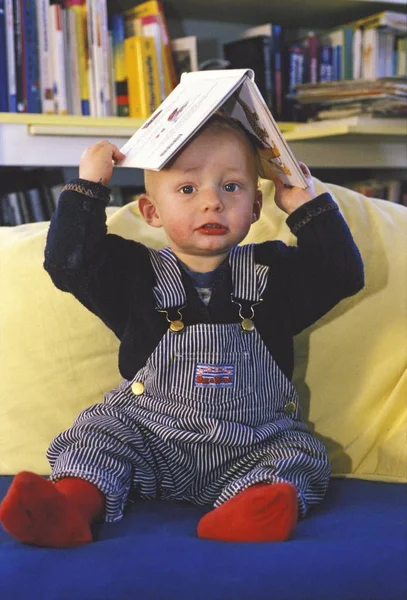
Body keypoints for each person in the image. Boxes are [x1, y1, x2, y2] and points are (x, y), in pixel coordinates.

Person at [0, 114, 364, 548]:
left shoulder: (273, 272)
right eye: (188, 189)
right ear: (151, 211)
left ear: (255, 206)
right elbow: (67, 263)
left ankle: (253, 509)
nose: (212, 202)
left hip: (251, 440)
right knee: (95, 439)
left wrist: (303, 202)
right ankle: (71, 506)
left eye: (231, 187)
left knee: (299, 457)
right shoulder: (132, 272)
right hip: (146, 436)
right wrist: (89, 186)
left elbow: (341, 273)